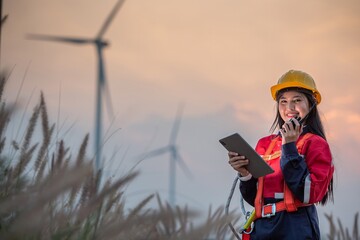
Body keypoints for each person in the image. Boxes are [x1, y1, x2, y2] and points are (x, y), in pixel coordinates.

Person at [228, 70, 334, 240]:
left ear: (311, 104)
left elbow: (309, 194)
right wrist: (245, 174)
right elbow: (255, 198)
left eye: (297, 100)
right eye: (283, 102)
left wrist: (290, 147)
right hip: (263, 228)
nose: (289, 108)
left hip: (295, 227)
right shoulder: (264, 144)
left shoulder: (316, 144)